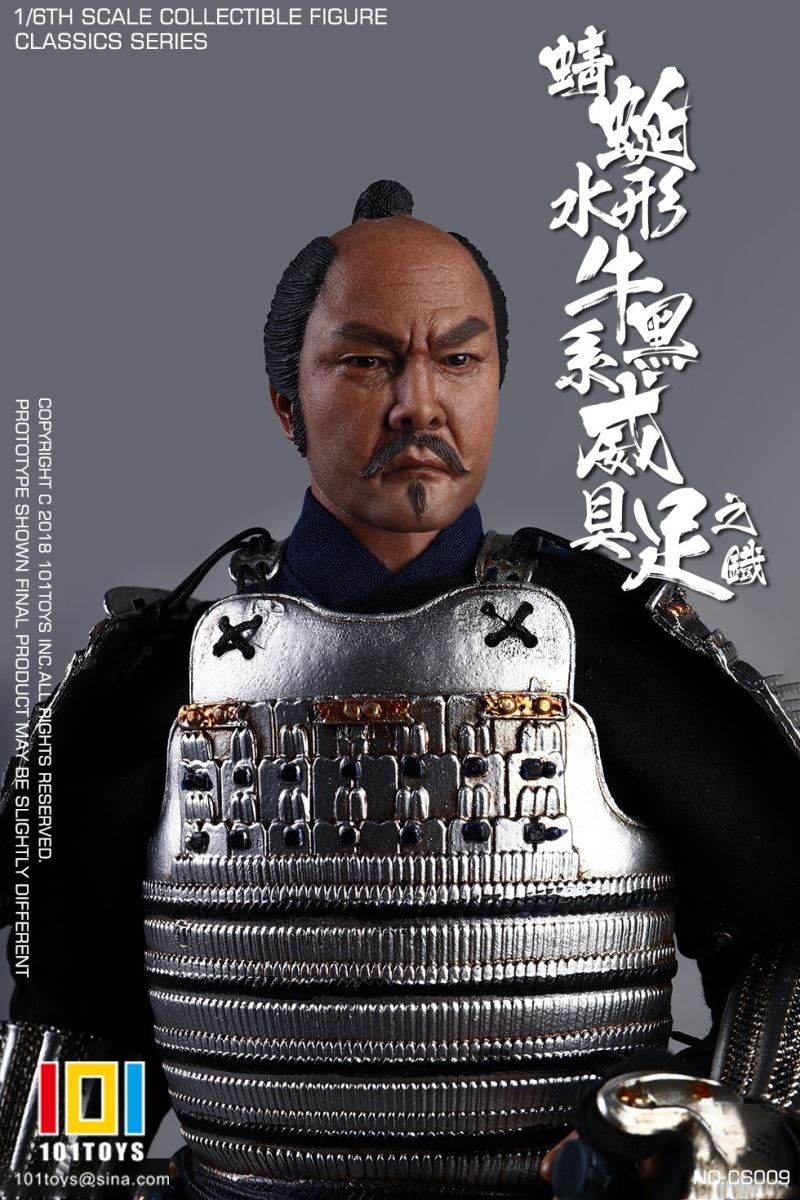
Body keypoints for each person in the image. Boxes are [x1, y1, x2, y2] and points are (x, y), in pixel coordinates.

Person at [2, 181, 799, 1200]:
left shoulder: (617, 651)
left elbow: (783, 940)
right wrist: (69, 1179)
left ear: (496, 384)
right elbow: (82, 1011)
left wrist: (715, 1149)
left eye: (457, 359)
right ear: (286, 402)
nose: (419, 403)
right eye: (368, 361)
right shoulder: (157, 684)